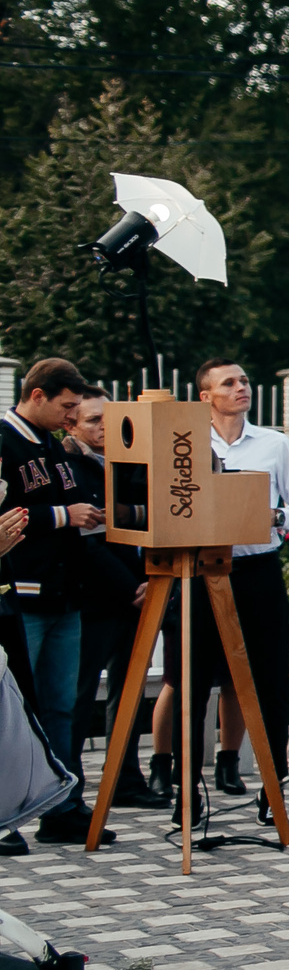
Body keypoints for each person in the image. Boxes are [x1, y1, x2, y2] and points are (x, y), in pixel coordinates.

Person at [0, 357, 107, 842]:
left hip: (66, 594)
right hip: (23, 592)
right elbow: (8, 516)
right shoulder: (5, 441)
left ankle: (62, 805)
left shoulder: (55, 445)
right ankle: (7, 815)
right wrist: (64, 516)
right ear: (37, 395)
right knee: (15, 707)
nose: (72, 417)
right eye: (66, 406)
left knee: (63, 705)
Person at [187, 360, 289, 809]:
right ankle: (189, 790)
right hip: (199, 573)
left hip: (257, 571)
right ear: (205, 397)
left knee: (270, 680)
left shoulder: (273, 444)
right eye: (229, 383)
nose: (241, 388)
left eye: (245, 381)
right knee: (194, 681)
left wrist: (271, 517)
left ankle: (274, 788)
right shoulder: (187, 444)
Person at [63, 392, 145, 811]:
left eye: (111, 418)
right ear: (71, 425)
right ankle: (68, 790)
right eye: (94, 419)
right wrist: (132, 589)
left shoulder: (128, 461)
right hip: (93, 601)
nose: (104, 427)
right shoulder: (69, 470)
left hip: (135, 594)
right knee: (76, 700)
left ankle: (125, 779)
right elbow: (88, 543)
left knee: (127, 692)